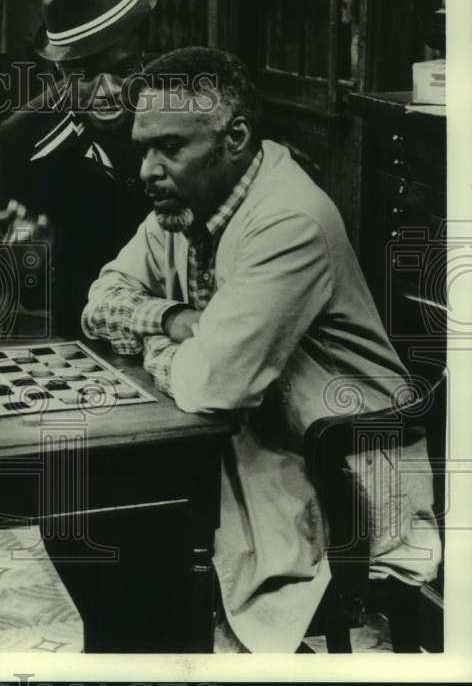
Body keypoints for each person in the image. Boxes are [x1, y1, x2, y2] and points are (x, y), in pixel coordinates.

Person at [82, 47, 441, 651]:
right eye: (143, 146)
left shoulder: (287, 219)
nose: (147, 169)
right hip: (251, 438)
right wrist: (174, 319)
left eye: (170, 146)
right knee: (94, 519)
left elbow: (212, 384)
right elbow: (100, 302)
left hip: (341, 469)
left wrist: (159, 350)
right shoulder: (182, 205)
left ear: (235, 138)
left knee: (136, 532)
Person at [0, 0, 158, 335]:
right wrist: (27, 252)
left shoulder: (176, 115)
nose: (107, 90)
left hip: (172, 310)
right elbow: (20, 262)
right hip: (81, 318)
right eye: (85, 75)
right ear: (59, 69)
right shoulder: (24, 134)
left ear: (143, 57)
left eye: (123, 70)